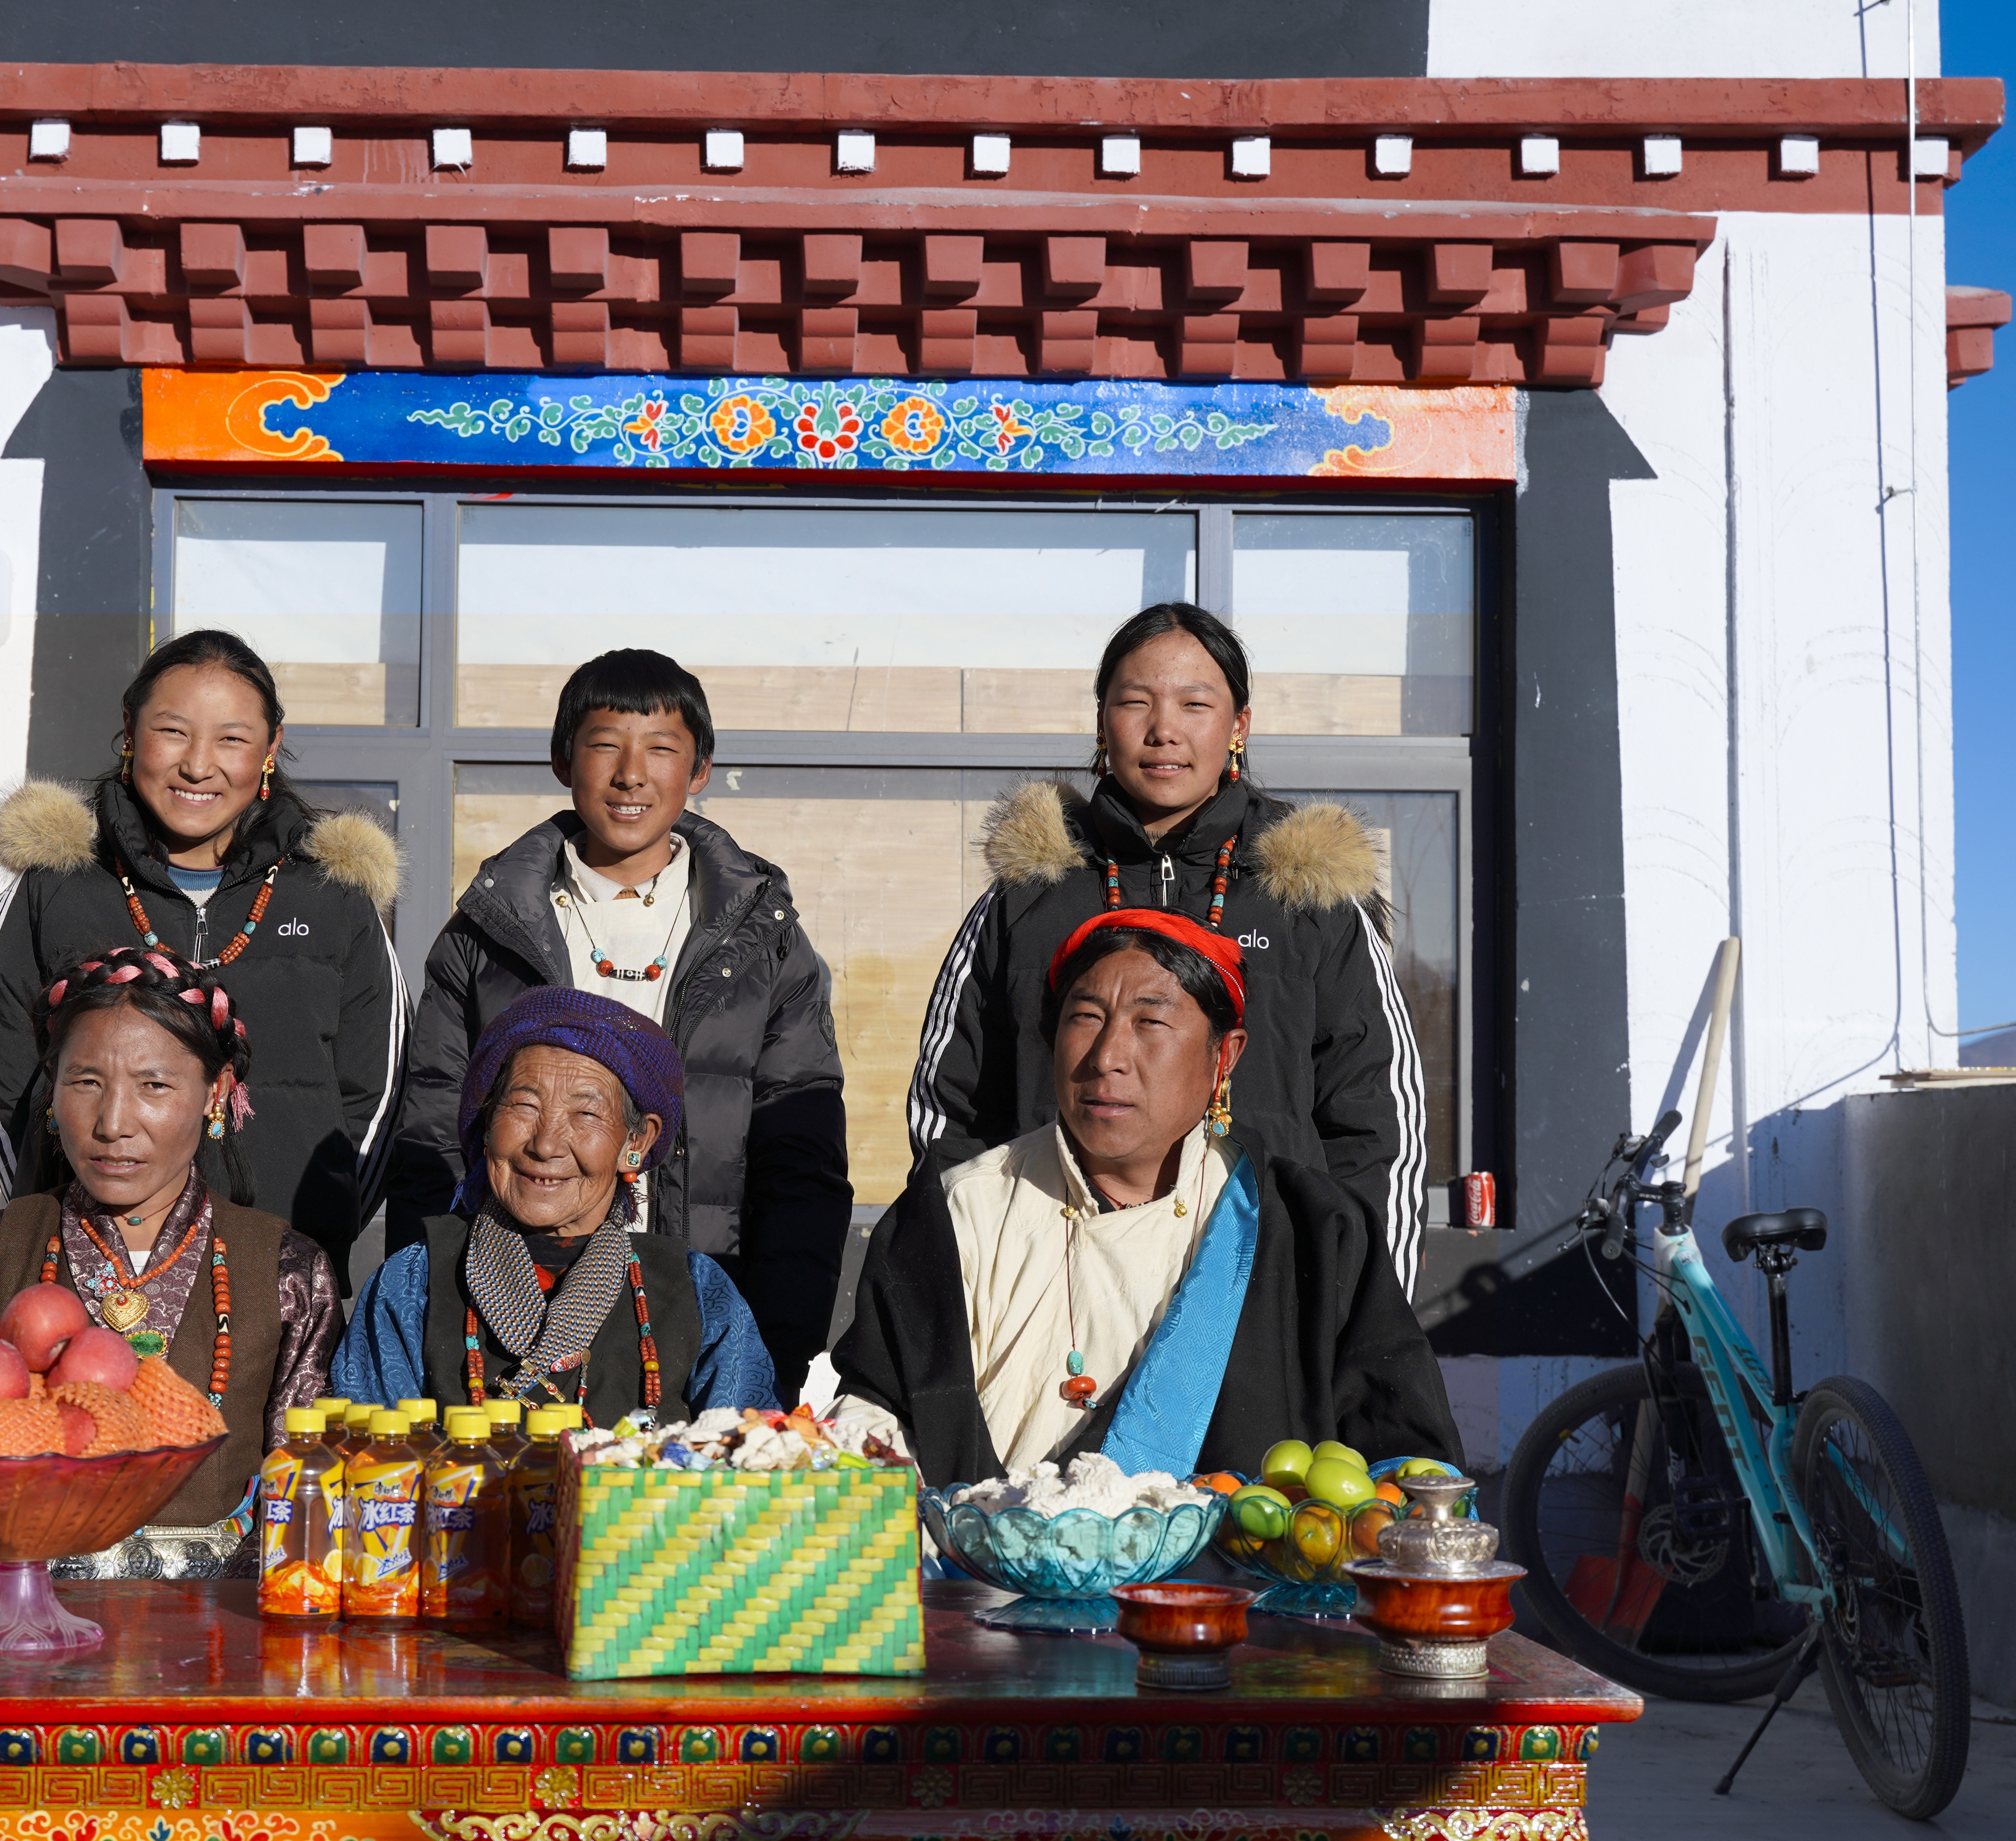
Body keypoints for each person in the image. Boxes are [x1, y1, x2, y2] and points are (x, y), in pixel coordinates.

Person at [820, 911, 1457, 1490]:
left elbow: (1399, 1461)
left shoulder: (1314, 1231)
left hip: (1233, 1610)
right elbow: (877, 1413)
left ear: (1223, 1057)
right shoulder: (957, 1215)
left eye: (1151, 1021)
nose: (1108, 1057)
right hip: (985, 1596)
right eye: (1085, 1017)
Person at [904, 600, 1430, 1295]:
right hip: (1051, 1287)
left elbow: (1377, 1123)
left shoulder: (1310, 895)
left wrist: (1361, 1318)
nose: (1163, 730)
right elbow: (951, 1112)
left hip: (1260, 1288)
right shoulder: (1029, 896)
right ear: (1101, 722)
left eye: (1194, 703)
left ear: (1238, 725)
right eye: (1135, 702)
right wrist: (966, 1279)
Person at [386, 649, 847, 1393]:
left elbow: (802, 1162)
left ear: (698, 771)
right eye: (605, 745)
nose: (632, 774)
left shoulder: (766, 938)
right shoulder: (486, 932)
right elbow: (431, 1137)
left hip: (699, 1309)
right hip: (505, 1307)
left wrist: (774, 1343)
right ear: (563, 758)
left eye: (662, 749)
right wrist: (429, 1311)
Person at [0, 943, 343, 1574]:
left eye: (154, 1085)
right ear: (52, 1091)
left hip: (216, 1639)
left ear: (215, 1092)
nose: (114, 1122)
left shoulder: (286, 1270)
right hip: (21, 1627)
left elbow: (308, 1494)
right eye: (86, 1082)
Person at [0, 629, 402, 1274]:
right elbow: (1, 1086)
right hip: (86, 1268)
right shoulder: (53, 886)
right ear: (129, 728)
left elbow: (380, 1098)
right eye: (172, 731)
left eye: (231, 738)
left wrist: (313, 1239)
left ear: (270, 747)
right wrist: (46, 1212)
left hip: (277, 1273)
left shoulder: (333, 897)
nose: (199, 765)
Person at [336, 988, 776, 1424]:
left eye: (585, 1115)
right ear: (487, 1124)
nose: (545, 1145)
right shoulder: (413, 1283)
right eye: (524, 1105)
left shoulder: (697, 1292)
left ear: (636, 1142)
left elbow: (751, 1465)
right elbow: (367, 1466)